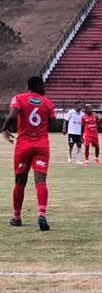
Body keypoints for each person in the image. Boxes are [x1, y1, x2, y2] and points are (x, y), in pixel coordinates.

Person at [2, 76, 57, 230]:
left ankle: (17, 217)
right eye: (43, 86)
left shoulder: (18, 98)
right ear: (38, 86)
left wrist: (3, 129)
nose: (45, 90)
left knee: (20, 181)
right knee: (40, 181)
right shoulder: (47, 102)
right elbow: (53, 124)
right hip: (41, 146)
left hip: (23, 145)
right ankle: (42, 214)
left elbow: (12, 116)